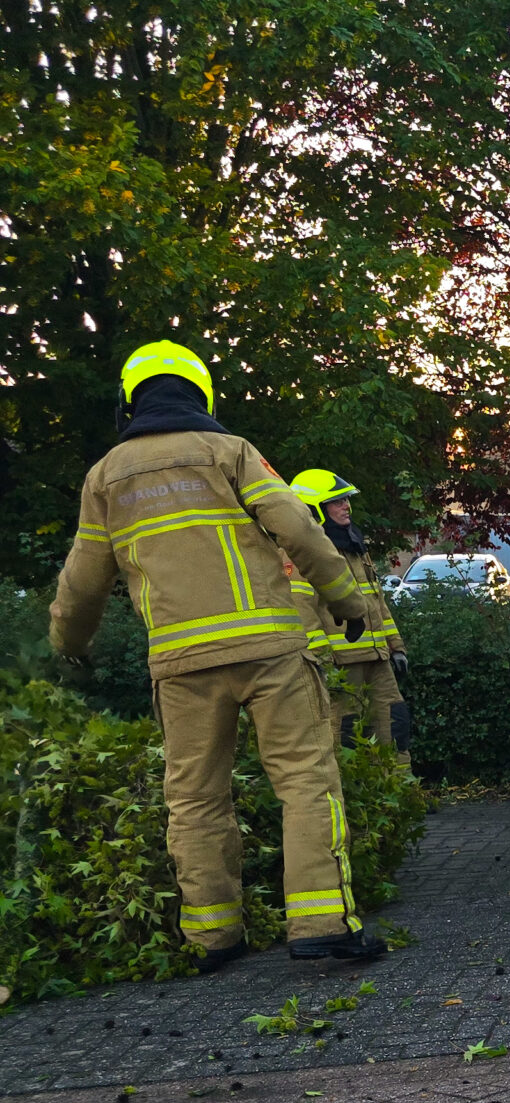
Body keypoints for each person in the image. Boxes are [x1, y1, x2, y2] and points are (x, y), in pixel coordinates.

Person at [50, 341, 384, 966]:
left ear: (130, 399)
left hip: (180, 665)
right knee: (306, 783)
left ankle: (213, 937)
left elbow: (82, 579)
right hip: (270, 653)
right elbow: (300, 528)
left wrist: (67, 645)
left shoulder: (105, 478)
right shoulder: (229, 452)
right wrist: (349, 605)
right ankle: (321, 926)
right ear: (200, 392)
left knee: (195, 798)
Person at [291, 470, 411, 769]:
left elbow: (376, 601)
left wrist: (396, 646)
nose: (347, 506)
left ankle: (402, 793)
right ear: (313, 508)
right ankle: (353, 798)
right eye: (337, 501)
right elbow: (302, 610)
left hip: (378, 659)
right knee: (343, 733)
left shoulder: (355, 547)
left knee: (394, 723)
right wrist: (321, 660)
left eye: (346, 500)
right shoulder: (302, 553)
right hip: (340, 666)